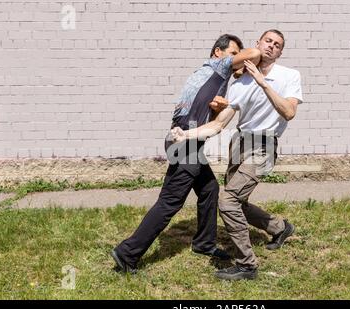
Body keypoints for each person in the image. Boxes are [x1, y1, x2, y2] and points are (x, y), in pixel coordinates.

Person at [110, 34, 263, 273]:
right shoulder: (217, 67)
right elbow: (254, 54)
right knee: (170, 202)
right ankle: (127, 253)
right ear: (218, 53)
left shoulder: (210, 78)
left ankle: (204, 243)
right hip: (185, 145)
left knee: (209, 189)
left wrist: (215, 109)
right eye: (233, 53)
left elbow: (207, 121)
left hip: (188, 142)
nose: (237, 59)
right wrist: (241, 66)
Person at [171, 29, 303, 280]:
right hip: (240, 142)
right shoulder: (240, 83)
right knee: (237, 201)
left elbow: (289, 112)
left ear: (281, 52)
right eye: (268, 41)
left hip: (264, 145)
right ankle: (280, 227)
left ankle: (247, 264)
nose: (271, 46)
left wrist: (263, 83)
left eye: (277, 44)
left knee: (228, 201)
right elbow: (219, 124)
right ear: (258, 44)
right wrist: (185, 135)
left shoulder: (289, 76)